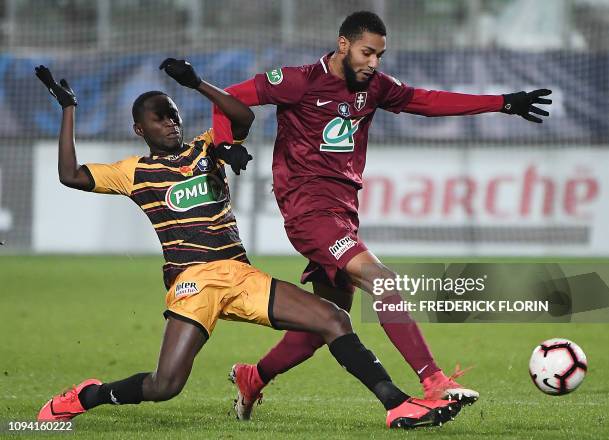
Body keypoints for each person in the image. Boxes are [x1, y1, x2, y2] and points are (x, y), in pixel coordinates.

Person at [34, 59, 460, 430]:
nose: (170, 123)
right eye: (159, 118)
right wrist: (69, 108)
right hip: (194, 285)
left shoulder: (207, 148)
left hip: (240, 276)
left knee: (334, 318)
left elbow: (243, 119)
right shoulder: (133, 172)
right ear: (138, 128)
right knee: (165, 386)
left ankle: (397, 403)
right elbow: (70, 175)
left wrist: (198, 83)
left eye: (174, 115)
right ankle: (86, 396)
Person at [212, 10, 553, 419]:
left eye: (379, 56)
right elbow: (230, 95)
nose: (374, 63)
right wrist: (223, 144)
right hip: (308, 211)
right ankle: (433, 380)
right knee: (384, 281)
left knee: (329, 319)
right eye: (367, 53)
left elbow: (427, 101)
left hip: (343, 213)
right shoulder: (300, 80)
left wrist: (502, 103)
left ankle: (254, 376)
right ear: (344, 44)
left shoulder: (373, 87)